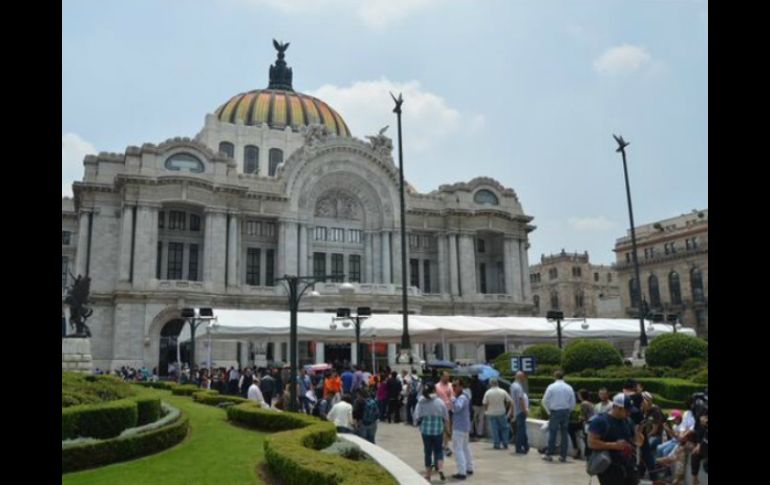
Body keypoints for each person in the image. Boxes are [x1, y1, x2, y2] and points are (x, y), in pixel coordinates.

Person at [588, 393, 644, 485]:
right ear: (617, 408)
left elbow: (638, 443)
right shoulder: (600, 421)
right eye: (627, 411)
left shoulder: (628, 421)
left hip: (628, 466)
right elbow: (591, 442)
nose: (629, 413)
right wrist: (613, 445)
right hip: (609, 468)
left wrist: (638, 433)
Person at [414, 382, 449, 482]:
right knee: (438, 451)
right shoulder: (440, 402)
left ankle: (428, 474)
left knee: (427, 452)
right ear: (434, 390)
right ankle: (440, 469)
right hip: (438, 429)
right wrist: (448, 430)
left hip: (426, 430)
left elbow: (417, 416)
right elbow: (446, 417)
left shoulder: (421, 401)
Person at [541, 370, 576, 463]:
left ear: (554, 376)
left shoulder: (551, 387)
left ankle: (549, 454)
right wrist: (569, 410)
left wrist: (549, 412)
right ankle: (563, 456)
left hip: (555, 412)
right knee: (564, 434)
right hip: (565, 412)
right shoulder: (569, 387)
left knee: (553, 433)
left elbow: (544, 400)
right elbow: (573, 402)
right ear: (563, 376)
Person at [637, 391, 664, 481]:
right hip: (645, 435)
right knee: (640, 447)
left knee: (645, 446)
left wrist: (645, 437)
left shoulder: (655, 411)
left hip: (655, 436)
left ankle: (650, 473)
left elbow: (655, 430)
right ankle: (641, 472)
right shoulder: (642, 411)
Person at [450, 379, 474, 480]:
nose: (453, 388)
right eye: (453, 386)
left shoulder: (461, 398)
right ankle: (469, 467)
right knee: (465, 448)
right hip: (464, 427)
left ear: (461, 386)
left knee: (458, 449)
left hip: (459, 427)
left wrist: (453, 400)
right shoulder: (464, 396)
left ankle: (461, 472)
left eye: (455, 386)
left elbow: (457, 408)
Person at [482, 378, 512, 450]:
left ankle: (496, 443)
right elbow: (509, 400)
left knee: (494, 429)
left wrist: (486, 410)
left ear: (491, 384)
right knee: (504, 428)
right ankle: (505, 442)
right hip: (501, 412)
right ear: (497, 383)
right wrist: (505, 406)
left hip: (492, 413)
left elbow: (485, 403)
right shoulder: (503, 391)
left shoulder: (488, 392)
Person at [569, 388, 595, 460]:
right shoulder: (590, 403)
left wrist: (579, 418)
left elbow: (582, 417)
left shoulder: (584, 403)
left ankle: (576, 449)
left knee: (570, 427)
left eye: (578, 395)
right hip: (590, 423)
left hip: (587, 424)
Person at [509, 371, 530, 454]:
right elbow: (521, 400)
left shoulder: (512, 386)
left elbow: (512, 400)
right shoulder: (518, 387)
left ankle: (526, 446)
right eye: (524, 377)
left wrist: (512, 411)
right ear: (521, 377)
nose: (524, 379)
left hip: (516, 411)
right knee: (521, 431)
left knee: (522, 430)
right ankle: (519, 448)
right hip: (520, 411)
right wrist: (525, 410)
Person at [435, 371, 455, 456]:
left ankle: (445, 444)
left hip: (449, 409)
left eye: (448, 377)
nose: (448, 378)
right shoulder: (437, 386)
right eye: (446, 376)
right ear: (441, 377)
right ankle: (443, 445)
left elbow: (454, 396)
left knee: (448, 428)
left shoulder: (451, 385)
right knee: (441, 429)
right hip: (439, 410)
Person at [469, 375, 487, 440]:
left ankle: (471, 432)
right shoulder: (483, 384)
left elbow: (471, 394)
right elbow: (485, 393)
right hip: (482, 404)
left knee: (472, 419)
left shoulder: (472, 384)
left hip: (474, 404)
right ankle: (479, 433)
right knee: (481, 419)